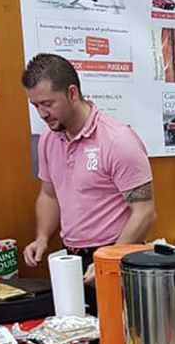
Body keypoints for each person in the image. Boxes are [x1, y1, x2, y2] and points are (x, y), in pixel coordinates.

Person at [21, 54, 156, 312]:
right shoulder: (50, 139)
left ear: (72, 93)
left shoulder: (118, 141)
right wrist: (41, 238)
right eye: (35, 105)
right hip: (73, 258)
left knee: (116, 339)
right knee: (78, 338)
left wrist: (109, 260)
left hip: (118, 254)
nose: (42, 114)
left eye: (48, 103)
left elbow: (144, 212)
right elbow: (49, 195)